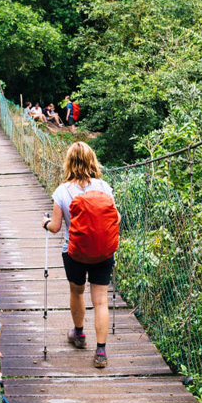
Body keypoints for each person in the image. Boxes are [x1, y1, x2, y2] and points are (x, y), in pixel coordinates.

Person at [42, 142, 119, 368]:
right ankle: (101, 352)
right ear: (92, 160)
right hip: (103, 252)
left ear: (69, 162)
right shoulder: (105, 187)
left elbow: (56, 227)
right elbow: (118, 218)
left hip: (74, 253)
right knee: (101, 300)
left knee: (77, 292)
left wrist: (44, 222)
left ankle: (79, 334)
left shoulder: (62, 191)